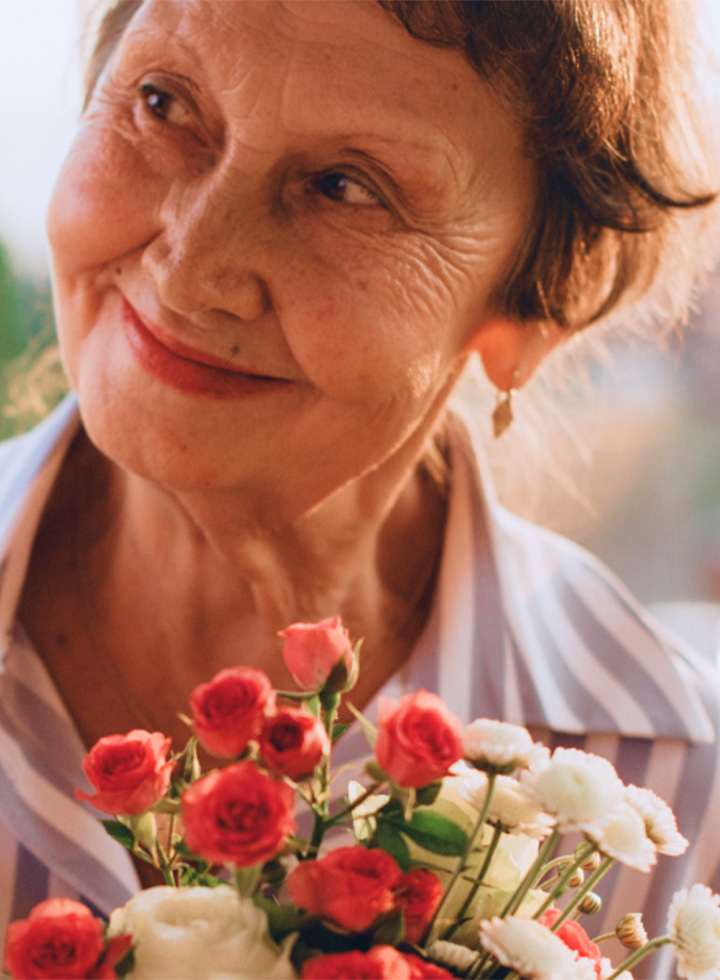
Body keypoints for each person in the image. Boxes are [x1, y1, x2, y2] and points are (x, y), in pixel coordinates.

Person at [0, 0, 718, 967]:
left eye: (345, 186)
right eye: (163, 102)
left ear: (539, 305)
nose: (192, 266)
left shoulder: (680, 790)